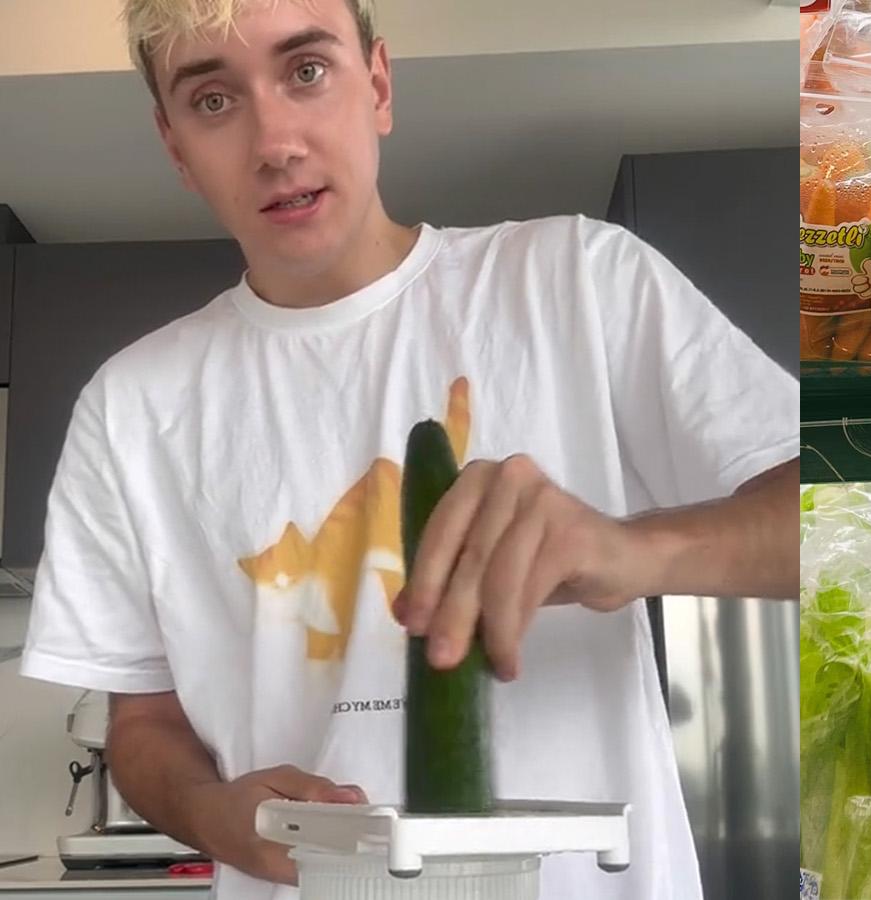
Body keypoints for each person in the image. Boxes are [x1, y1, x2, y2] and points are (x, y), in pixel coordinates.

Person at [17, 1, 798, 898]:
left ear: (378, 83)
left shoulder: (580, 279)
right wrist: (211, 812)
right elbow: (141, 717)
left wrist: (633, 548)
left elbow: (819, 513)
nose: (275, 142)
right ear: (175, 144)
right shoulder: (130, 406)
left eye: (305, 71)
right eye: (214, 100)